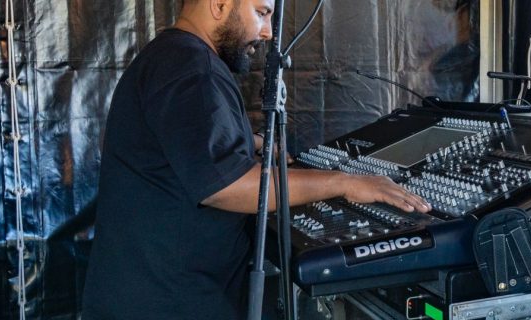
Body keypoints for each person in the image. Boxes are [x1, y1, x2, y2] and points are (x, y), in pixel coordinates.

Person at [82, 0, 431, 318]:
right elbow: (228, 185)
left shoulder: (170, 56)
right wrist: (345, 183)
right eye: (261, 13)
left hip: (154, 292)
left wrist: (249, 141)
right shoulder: (192, 68)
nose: (266, 33)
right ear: (218, 5)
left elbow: (178, 141)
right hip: (168, 301)